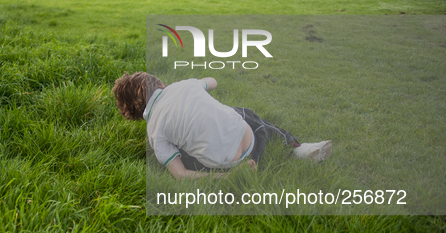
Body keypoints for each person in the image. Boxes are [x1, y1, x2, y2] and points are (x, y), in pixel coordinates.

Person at [112, 72, 332, 180]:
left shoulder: (154, 134)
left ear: (135, 115)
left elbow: (179, 174)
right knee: (242, 113)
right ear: (160, 83)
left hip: (225, 165)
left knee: (179, 153)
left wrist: (223, 178)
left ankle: (237, 173)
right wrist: (197, 85)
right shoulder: (183, 85)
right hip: (250, 137)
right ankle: (296, 147)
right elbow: (213, 81)